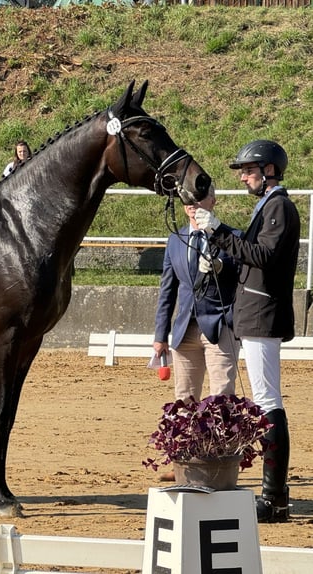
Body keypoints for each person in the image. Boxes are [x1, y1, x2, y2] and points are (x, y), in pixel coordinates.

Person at [195, 139, 300, 523]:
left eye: (249, 171)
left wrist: (219, 230)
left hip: (263, 315)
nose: (243, 178)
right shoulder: (267, 206)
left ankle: (275, 498)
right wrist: (222, 267)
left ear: (269, 171)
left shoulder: (280, 207)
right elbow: (252, 263)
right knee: (263, 401)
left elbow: (265, 257)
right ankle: (275, 496)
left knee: (268, 401)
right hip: (253, 314)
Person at [153, 187, 240, 482]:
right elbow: (168, 289)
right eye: (188, 200)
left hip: (219, 325)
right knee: (184, 398)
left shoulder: (231, 235)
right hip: (184, 330)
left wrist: (221, 265)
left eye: (200, 199)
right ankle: (184, 460)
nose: (192, 205)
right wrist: (160, 333)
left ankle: (219, 460)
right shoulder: (175, 240)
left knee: (221, 395)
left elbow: (241, 268)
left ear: (212, 202)